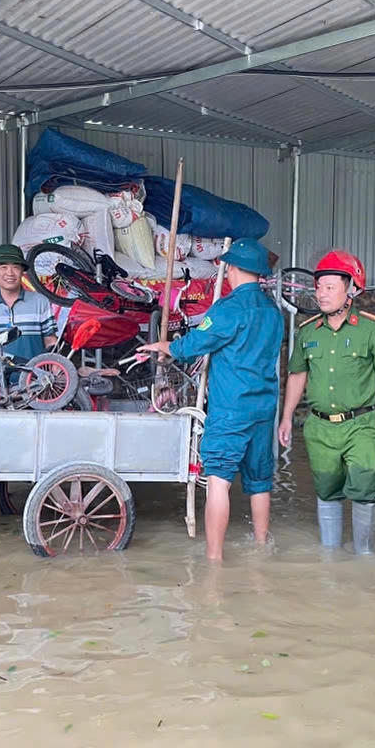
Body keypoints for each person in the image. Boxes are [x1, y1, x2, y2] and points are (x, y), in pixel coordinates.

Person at [140, 238, 284, 562]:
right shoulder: (273, 311)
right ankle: (262, 546)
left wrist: (163, 347)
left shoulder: (228, 308)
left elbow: (194, 344)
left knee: (218, 478)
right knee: (260, 478)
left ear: (231, 268)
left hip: (231, 407)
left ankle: (213, 559)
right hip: (264, 406)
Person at [278, 250, 375, 555]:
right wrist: (286, 417)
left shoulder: (372, 330)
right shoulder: (307, 332)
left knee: (364, 486)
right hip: (319, 426)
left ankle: (364, 555)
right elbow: (297, 376)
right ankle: (330, 560)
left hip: (361, 424)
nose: (321, 293)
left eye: (330, 287)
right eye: (319, 286)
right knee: (326, 490)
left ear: (352, 290)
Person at [0, 243, 57, 364]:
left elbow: (50, 340)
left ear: (22, 272)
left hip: (33, 378)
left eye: (15, 267)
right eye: (3, 267)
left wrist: (56, 366)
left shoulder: (40, 302)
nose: (10, 273)